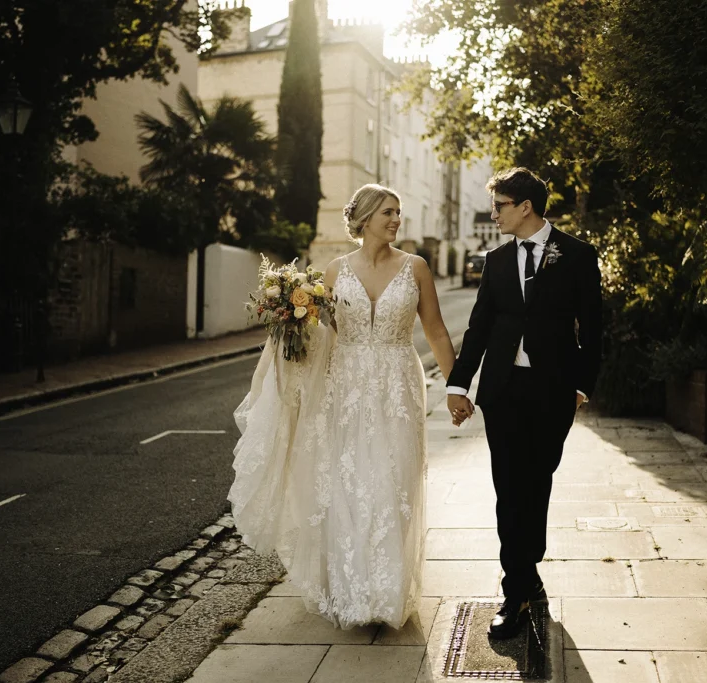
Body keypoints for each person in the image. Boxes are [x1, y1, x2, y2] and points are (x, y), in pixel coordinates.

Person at [230, 183, 459, 629]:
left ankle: (387, 593)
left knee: (395, 484)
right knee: (349, 485)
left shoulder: (417, 268)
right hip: (346, 389)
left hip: (397, 386)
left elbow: (436, 331)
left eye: (399, 211)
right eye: (389, 212)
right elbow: (319, 339)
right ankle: (354, 591)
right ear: (367, 217)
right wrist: (288, 336)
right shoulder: (333, 271)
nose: (396, 219)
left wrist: (458, 388)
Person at [446, 167, 602, 639]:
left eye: (499, 205)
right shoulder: (495, 261)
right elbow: (478, 328)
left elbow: (593, 326)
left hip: (553, 390)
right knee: (509, 485)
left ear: (525, 207)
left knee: (537, 482)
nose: (492, 214)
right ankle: (515, 588)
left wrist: (583, 385)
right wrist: (459, 384)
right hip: (504, 390)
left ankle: (527, 571)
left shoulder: (575, 255)